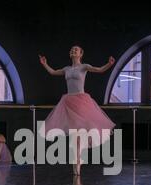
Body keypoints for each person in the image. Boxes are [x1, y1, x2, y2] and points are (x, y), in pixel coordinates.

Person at [38, 45, 116, 176]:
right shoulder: (66, 69)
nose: (73, 51)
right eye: (72, 50)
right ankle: (77, 159)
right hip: (68, 102)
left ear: (81, 54)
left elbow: (99, 70)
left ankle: (77, 160)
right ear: (70, 54)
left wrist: (109, 64)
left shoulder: (84, 67)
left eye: (76, 50)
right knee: (75, 135)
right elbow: (52, 72)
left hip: (81, 102)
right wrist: (45, 64)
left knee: (79, 134)